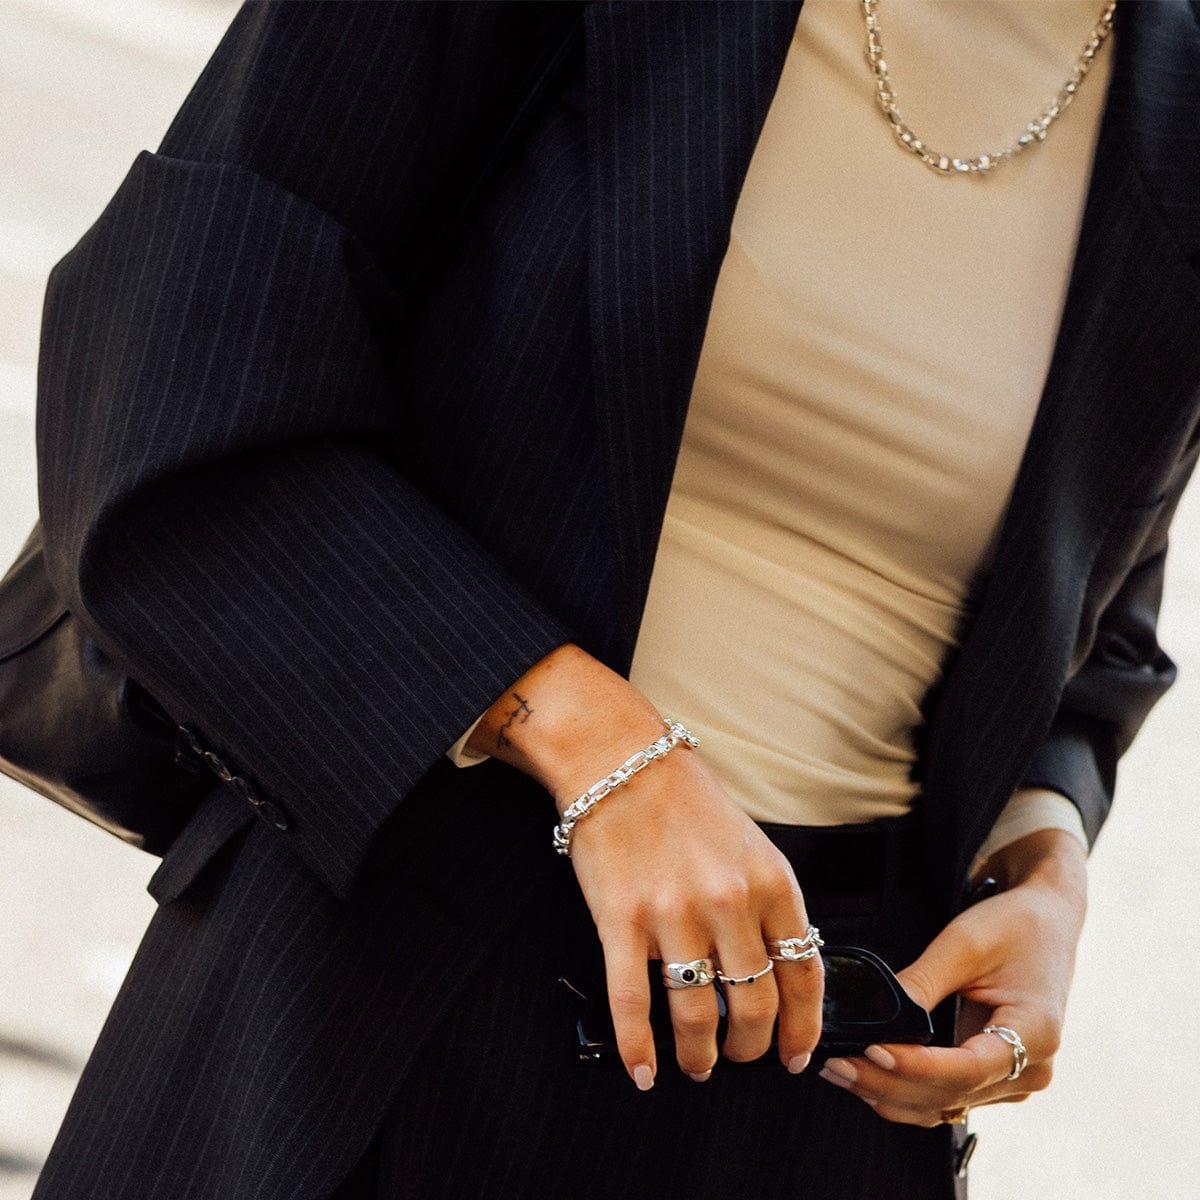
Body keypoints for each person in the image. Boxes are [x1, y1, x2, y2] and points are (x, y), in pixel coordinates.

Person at [29, 2, 1199, 1198]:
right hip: (372, 1001)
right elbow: (176, 361)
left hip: (829, 1070)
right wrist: (597, 745)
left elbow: (1098, 583)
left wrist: (1042, 852)